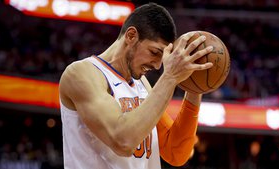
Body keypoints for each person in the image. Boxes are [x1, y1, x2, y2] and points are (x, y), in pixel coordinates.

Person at [59, 3, 213, 169]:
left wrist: (195, 88)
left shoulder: (142, 84)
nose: (157, 65)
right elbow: (123, 142)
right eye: (154, 52)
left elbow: (176, 152)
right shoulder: (82, 73)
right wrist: (170, 77)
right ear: (131, 36)